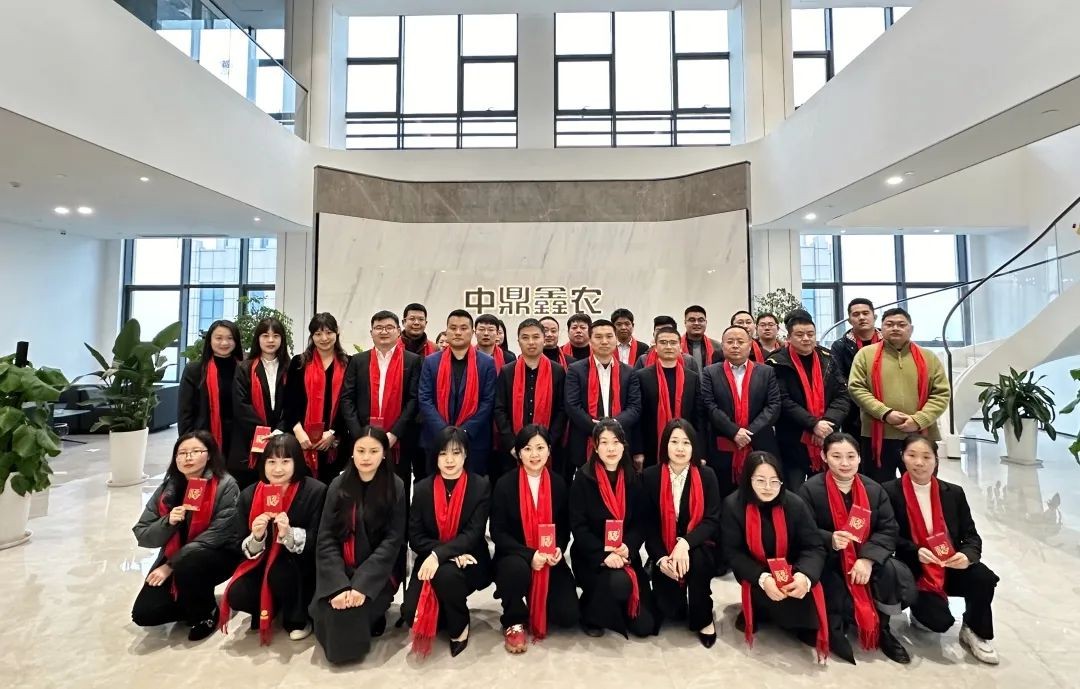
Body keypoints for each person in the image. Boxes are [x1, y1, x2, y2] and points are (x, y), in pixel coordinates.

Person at [798, 433, 915, 665]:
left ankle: (883, 629)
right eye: (836, 456)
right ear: (824, 456)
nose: (845, 463)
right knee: (831, 589)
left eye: (851, 456)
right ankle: (837, 623)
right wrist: (830, 539)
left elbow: (888, 529)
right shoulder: (809, 490)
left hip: (865, 557)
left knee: (891, 571)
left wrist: (867, 559)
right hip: (829, 558)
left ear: (860, 458)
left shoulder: (874, 490)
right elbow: (802, 530)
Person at [883, 435, 1000, 664]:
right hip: (915, 569)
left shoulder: (953, 493)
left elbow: (971, 535)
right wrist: (915, 550)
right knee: (937, 623)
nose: (919, 463)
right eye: (912, 456)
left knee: (983, 578)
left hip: (948, 563)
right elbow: (887, 535)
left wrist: (966, 556)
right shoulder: (888, 492)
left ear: (936, 460)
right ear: (902, 457)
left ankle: (974, 629)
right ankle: (920, 610)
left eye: (926, 457)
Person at [310, 427, 407, 664]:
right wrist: (338, 586)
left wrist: (361, 585)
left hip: (377, 575)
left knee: (352, 618)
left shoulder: (395, 486)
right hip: (341, 570)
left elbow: (392, 541)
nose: (366, 457)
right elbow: (326, 538)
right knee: (333, 614)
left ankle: (374, 612)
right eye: (361, 450)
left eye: (374, 451)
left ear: (384, 454)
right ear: (352, 452)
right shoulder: (338, 485)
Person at [131, 431, 240, 641]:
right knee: (144, 614)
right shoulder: (168, 488)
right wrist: (168, 521)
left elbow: (218, 534)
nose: (188, 458)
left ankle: (206, 613)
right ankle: (192, 603)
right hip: (175, 556)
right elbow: (143, 534)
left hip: (216, 554)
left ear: (209, 455)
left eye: (195, 451)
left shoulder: (225, 485)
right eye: (182, 453)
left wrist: (170, 565)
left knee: (190, 563)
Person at [721, 452, 829, 662]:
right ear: (748, 480)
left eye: (774, 481)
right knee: (765, 596)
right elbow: (733, 553)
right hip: (755, 571)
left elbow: (814, 546)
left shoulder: (795, 504)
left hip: (792, 570)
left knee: (803, 608)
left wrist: (804, 576)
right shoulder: (733, 506)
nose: (768, 487)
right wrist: (764, 579)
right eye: (760, 481)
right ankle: (757, 609)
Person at [220, 434, 327, 643]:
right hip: (261, 564)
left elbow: (319, 539)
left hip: (302, 565)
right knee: (237, 593)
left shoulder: (316, 491)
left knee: (280, 572)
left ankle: (298, 618)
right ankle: (270, 607)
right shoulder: (249, 494)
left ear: (297, 462)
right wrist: (257, 536)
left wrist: (288, 534)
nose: (278, 469)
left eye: (285, 461)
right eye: (271, 462)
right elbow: (237, 542)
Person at [401, 427, 492, 657]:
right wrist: (446, 554)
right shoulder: (422, 489)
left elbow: (474, 534)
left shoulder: (480, 486)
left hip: (470, 559)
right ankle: (447, 609)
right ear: (435, 456)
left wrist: (439, 556)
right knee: (411, 614)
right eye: (443, 453)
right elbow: (415, 537)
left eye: (456, 452)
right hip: (434, 558)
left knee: (446, 575)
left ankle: (459, 626)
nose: (449, 460)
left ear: (466, 454)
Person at [491, 425, 579, 653]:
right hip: (515, 555)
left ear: (549, 450)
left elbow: (564, 528)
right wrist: (531, 555)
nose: (534, 455)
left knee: (568, 616)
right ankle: (513, 619)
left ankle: (539, 602)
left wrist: (559, 548)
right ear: (518, 453)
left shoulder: (558, 484)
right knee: (515, 571)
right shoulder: (504, 484)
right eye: (527, 449)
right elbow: (498, 533)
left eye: (540, 448)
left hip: (549, 556)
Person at [570, 419, 657, 638]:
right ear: (595, 447)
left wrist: (628, 546)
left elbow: (641, 522)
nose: (611, 448)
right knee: (618, 582)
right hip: (592, 556)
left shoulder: (633, 477)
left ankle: (618, 603)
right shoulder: (583, 479)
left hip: (625, 554)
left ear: (623, 446)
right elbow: (578, 528)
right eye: (604, 442)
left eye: (616, 442)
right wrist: (604, 554)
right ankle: (590, 612)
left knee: (645, 627)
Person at [848, 307, 950, 484]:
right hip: (877, 436)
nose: (895, 328)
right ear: (881, 328)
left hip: (920, 434)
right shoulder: (865, 354)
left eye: (901, 324)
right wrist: (885, 413)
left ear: (911, 329)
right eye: (889, 324)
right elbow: (856, 388)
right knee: (877, 488)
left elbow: (941, 393)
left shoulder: (929, 357)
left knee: (921, 486)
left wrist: (918, 420)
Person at [642, 420, 720, 646]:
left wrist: (685, 544)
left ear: (694, 446)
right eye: (674, 442)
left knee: (699, 563)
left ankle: (704, 618)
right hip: (663, 545)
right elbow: (648, 524)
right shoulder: (650, 476)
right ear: (665, 445)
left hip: (697, 543)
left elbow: (712, 520)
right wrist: (660, 558)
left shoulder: (707, 475)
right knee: (671, 610)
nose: (680, 448)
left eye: (686, 443)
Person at [767, 310, 851, 491]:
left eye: (810, 334)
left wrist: (827, 423)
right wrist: (813, 424)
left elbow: (842, 395)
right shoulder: (776, 362)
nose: (806, 338)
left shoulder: (828, 358)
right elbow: (782, 400)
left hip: (826, 435)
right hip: (793, 438)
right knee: (794, 491)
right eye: (799, 335)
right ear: (789, 338)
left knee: (825, 491)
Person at [340, 310, 422, 489]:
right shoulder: (358, 361)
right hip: (362, 439)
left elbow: (414, 400)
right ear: (371, 332)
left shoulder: (413, 361)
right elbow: (347, 399)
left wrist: (394, 434)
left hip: (399, 441)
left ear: (398, 331)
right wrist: (360, 435)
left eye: (389, 327)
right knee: (362, 491)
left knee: (397, 490)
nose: (384, 332)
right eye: (378, 328)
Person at [701, 325, 781, 496]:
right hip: (724, 446)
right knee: (724, 496)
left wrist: (748, 433)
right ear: (722, 346)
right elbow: (709, 405)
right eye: (730, 342)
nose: (735, 345)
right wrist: (734, 432)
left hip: (759, 444)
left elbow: (773, 406)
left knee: (760, 495)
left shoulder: (766, 372)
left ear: (750, 345)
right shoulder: (710, 373)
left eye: (740, 341)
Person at [418, 310, 497, 475]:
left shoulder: (487, 363)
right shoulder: (431, 362)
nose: (458, 332)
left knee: (473, 487)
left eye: (463, 328)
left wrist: (465, 432)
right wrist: (444, 432)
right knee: (435, 486)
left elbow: (488, 401)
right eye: (453, 328)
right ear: (446, 331)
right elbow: (425, 399)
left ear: (472, 332)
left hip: (473, 441)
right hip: (436, 438)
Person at [565, 319, 642, 472]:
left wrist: (613, 426)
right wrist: (596, 428)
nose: (604, 341)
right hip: (585, 439)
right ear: (590, 340)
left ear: (616, 339)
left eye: (609, 336)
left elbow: (634, 407)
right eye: (598, 337)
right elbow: (572, 406)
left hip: (620, 440)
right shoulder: (575, 370)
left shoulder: (629, 372)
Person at [281, 313, 349, 483]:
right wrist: (299, 433)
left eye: (329, 332)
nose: (324, 338)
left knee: (331, 488)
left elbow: (349, 403)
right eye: (318, 334)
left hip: (334, 443)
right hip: (301, 439)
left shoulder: (349, 364)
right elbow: (289, 402)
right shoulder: (299, 362)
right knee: (302, 488)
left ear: (337, 332)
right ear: (312, 336)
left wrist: (333, 433)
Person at [494, 319, 567, 476]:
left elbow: (562, 410)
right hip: (512, 450)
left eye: (536, 337)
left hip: (549, 448)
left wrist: (548, 443)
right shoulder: (507, 371)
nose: (531, 342)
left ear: (543, 339)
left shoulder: (558, 371)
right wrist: (511, 444)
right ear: (518, 341)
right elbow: (499, 409)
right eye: (525, 337)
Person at [231, 317, 290, 490]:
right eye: (265, 335)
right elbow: (241, 405)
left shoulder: (291, 368)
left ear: (282, 339)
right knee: (252, 491)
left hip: (283, 438)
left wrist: (278, 431)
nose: (271, 340)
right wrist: (264, 432)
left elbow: (294, 403)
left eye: (276, 336)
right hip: (249, 440)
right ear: (258, 338)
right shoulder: (244, 368)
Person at [632, 326, 702, 469]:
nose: (668, 346)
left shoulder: (692, 377)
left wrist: (701, 452)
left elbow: (699, 417)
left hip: (685, 445)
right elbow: (637, 416)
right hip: (651, 446)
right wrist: (637, 450)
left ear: (680, 346)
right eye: (663, 342)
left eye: (673, 342)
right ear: (655, 347)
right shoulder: (642, 376)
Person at [179, 319, 242, 463]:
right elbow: (185, 412)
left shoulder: (245, 369)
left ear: (236, 341)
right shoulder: (194, 370)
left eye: (230, 338)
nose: (224, 343)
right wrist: (188, 442)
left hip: (238, 441)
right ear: (210, 341)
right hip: (204, 438)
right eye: (218, 338)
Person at [831, 298, 882, 435]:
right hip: (854, 410)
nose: (861, 317)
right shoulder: (840, 346)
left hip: (887, 405)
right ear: (849, 320)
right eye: (856, 314)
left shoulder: (888, 342)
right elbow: (839, 379)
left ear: (874, 316)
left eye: (865, 313)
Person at [634, 315, 699, 373]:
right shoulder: (643, 359)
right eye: (659, 330)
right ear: (653, 334)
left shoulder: (688, 360)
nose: (663, 333)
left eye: (667, 329)